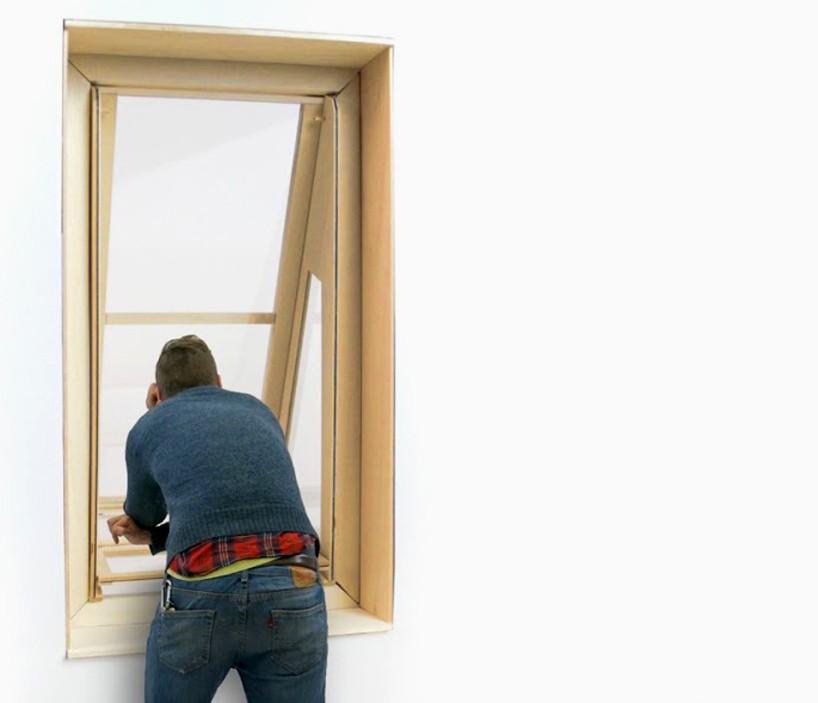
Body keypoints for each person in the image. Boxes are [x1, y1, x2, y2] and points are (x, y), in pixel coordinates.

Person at [107, 335, 327, 703]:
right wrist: (160, 539)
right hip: (293, 583)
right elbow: (240, 506)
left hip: (201, 590)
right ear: (220, 383)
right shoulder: (258, 411)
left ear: (157, 393)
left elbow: (145, 513)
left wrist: (153, 414)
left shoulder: (150, 424)